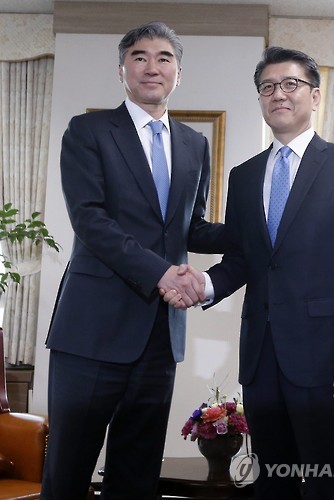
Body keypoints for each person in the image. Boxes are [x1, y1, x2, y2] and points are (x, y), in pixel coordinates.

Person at [164, 47, 334, 499]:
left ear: (315, 95)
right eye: (267, 87)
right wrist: (203, 285)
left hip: (326, 356)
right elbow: (247, 259)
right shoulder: (246, 176)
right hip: (262, 355)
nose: (278, 94)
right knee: (273, 478)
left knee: (327, 477)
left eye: (290, 84)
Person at [40, 21, 227, 500]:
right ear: (122, 69)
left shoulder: (193, 144)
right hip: (91, 331)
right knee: (69, 468)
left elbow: (191, 227)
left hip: (159, 337)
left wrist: (262, 232)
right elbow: (91, 220)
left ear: (178, 73)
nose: (152, 66)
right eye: (140, 56)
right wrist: (163, 272)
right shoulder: (88, 131)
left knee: (138, 472)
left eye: (164, 58)